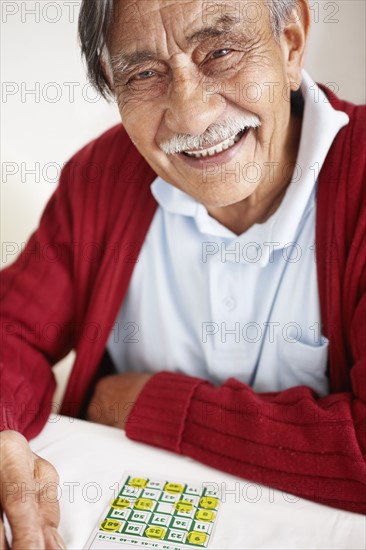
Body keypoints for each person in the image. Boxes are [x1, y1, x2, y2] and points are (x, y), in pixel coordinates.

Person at [1, 0, 365, 547]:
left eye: (220, 51)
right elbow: (12, 331)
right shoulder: (100, 177)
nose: (191, 115)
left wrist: (144, 402)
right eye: (144, 73)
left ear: (290, 43)